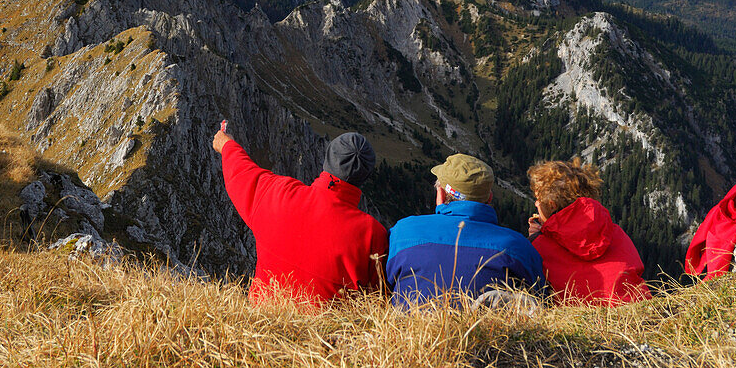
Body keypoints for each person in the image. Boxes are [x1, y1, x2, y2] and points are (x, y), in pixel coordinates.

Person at [212, 121, 388, 307]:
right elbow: (377, 301)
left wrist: (227, 146)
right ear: (365, 177)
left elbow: (243, 173)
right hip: (327, 335)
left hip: (260, 324)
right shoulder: (372, 233)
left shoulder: (278, 193)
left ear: (326, 159)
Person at [386, 154, 544, 309]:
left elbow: (383, 287)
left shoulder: (402, 231)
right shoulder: (516, 245)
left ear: (440, 194)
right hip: (489, 334)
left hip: (411, 332)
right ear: (489, 199)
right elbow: (540, 299)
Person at [527, 158, 651, 306]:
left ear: (551, 205)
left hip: (580, 322)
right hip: (637, 312)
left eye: (538, 199)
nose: (536, 204)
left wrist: (534, 240)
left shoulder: (539, 246)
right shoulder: (612, 231)